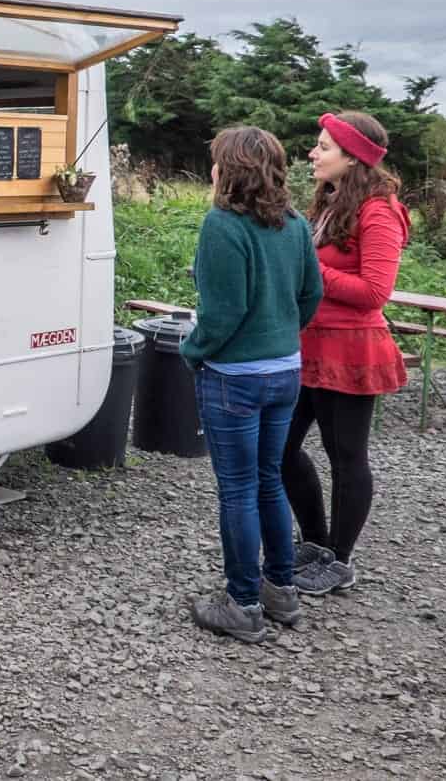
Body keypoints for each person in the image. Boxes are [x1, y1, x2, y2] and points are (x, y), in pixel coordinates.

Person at [180, 126, 323, 643]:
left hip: (234, 379)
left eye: (217, 161)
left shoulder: (222, 226)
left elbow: (222, 315)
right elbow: (312, 293)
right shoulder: (294, 223)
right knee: (267, 480)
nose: (213, 169)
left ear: (229, 171)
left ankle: (241, 604)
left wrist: (192, 351)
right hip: (284, 371)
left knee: (238, 489)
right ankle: (280, 590)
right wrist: (280, 335)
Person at [282, 111, 410, 596]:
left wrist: (308, 270)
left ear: (353, 157)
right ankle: (315, 542)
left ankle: (341, 558)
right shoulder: (331, 203)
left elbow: (376, 291)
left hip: (353, 350)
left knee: (347, 457)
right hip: (308, 345)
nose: (313, 154)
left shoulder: (379, 210)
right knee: (281, 450)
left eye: (323, 147)